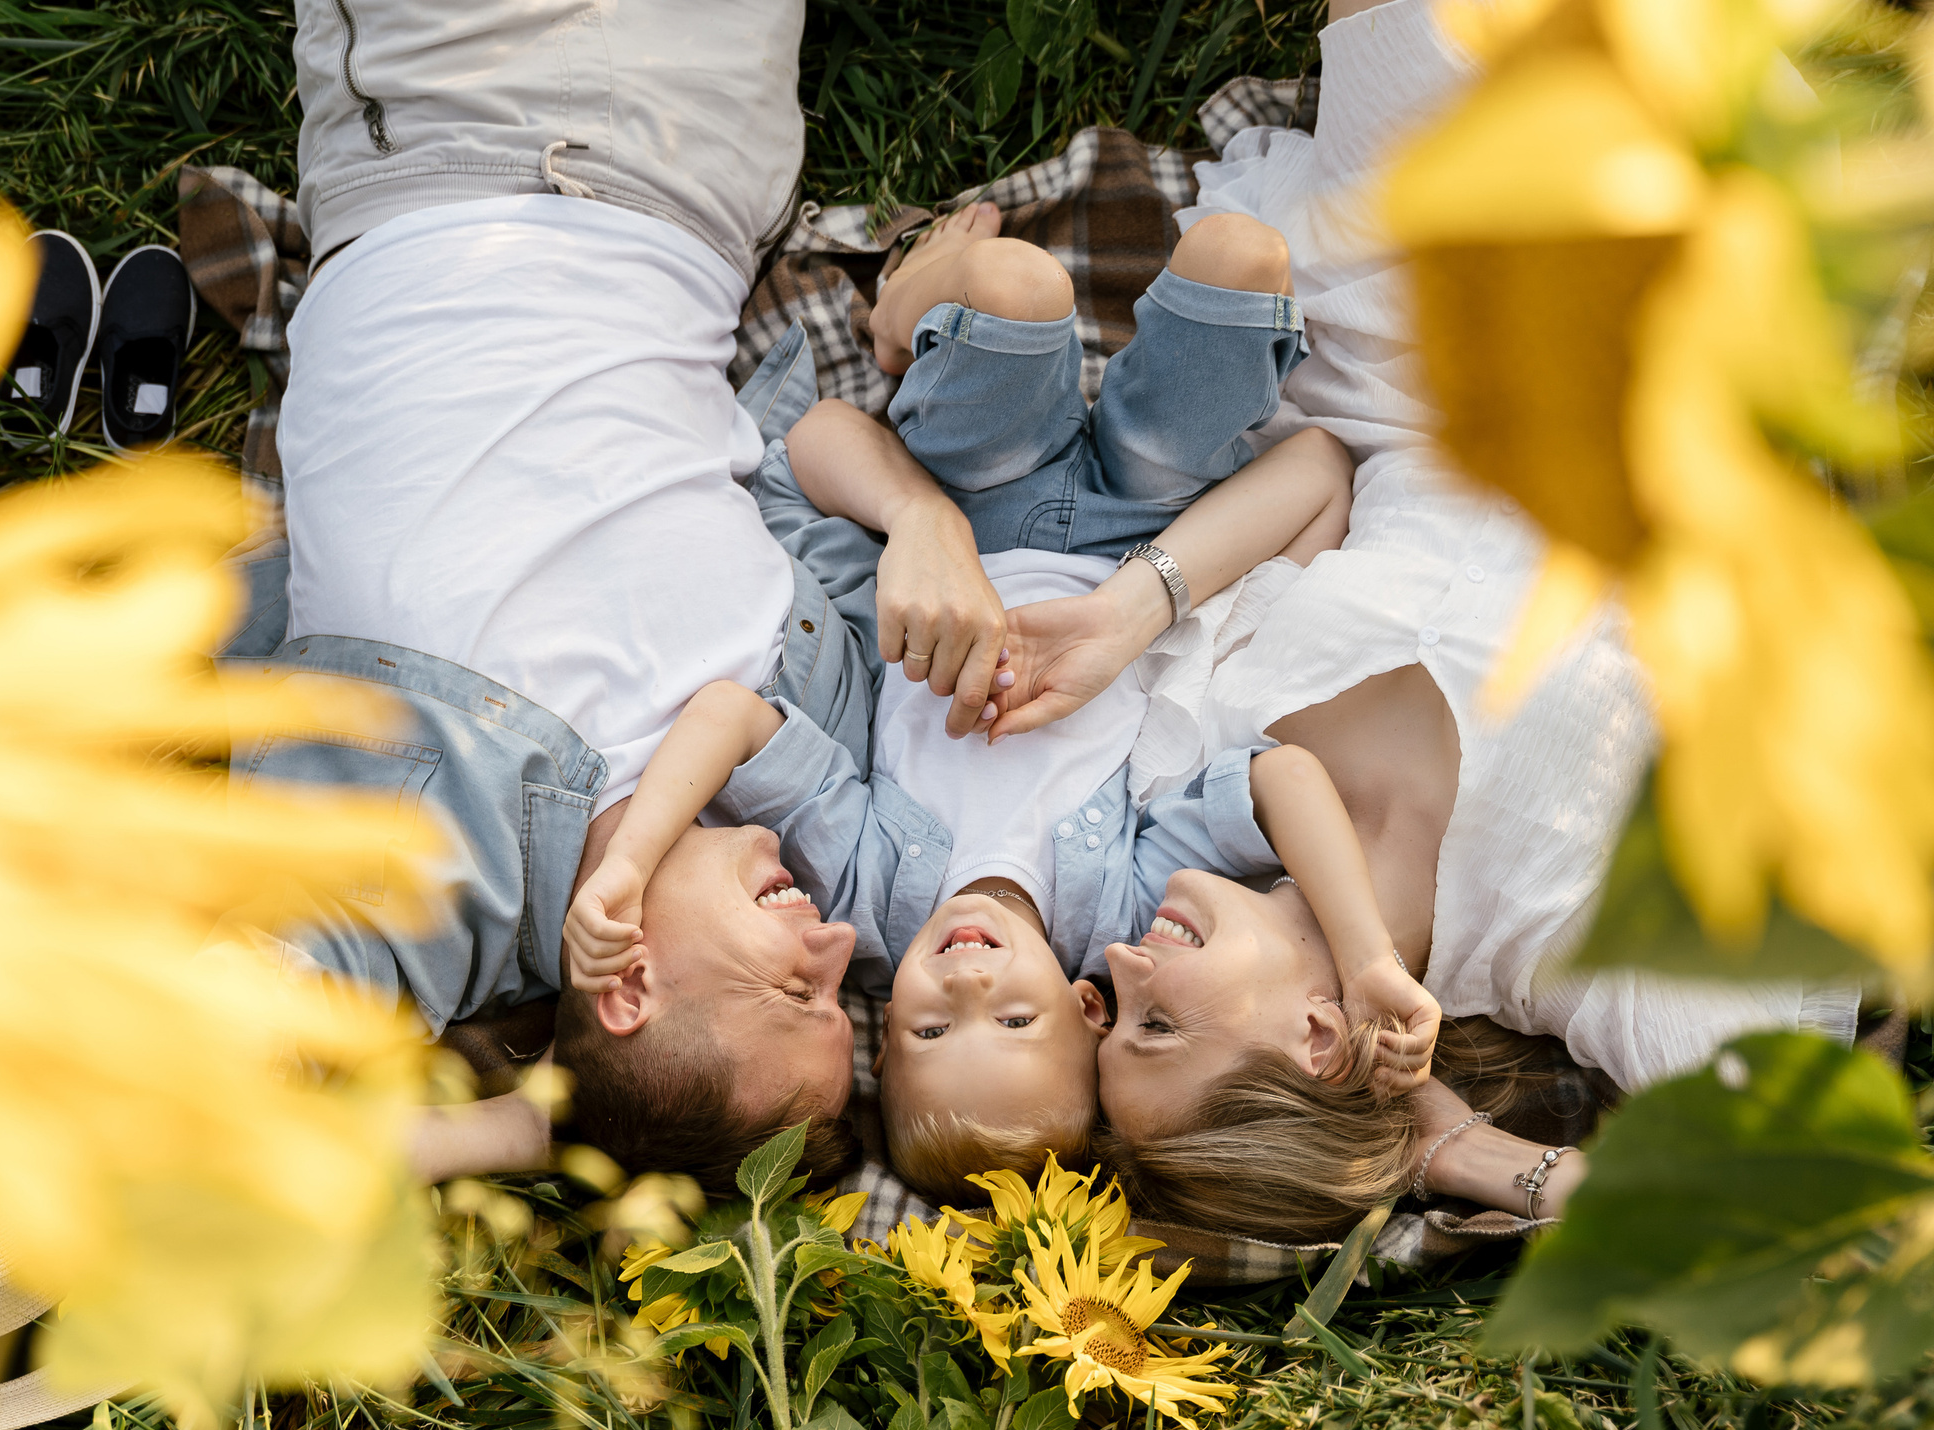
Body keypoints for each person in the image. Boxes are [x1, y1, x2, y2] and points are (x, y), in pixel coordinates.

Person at [1079, 0, 1859, 1242]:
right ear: (1320, 1039)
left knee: (1421, 29)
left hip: (1404, 375)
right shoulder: (1552, 931)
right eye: (1155, 1022)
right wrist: (1458, 1146)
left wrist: (1132, 607)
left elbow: (1321, 474)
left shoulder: (1184, 773)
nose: (1119, 970)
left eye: (1116, 1012)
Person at [243, 0, 1013, 1192]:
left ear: (634, 988)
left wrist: (553, 1129)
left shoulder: (419, 887)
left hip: (451, 109)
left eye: (793, 985)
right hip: (695, 162)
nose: (840, 941)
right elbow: (806, 454)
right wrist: (925, 517)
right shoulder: (809, 733)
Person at [561, 426, 1429, 1207]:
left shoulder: (858, 894)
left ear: (886, 1043)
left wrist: (627, 868)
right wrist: (1365, 962)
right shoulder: (1127, 919)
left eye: (933, 1029)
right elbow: (1279, 779)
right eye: (1016, 1022)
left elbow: (731, 713)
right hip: (1135, 529)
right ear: (1087, 1006)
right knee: (1231, 282)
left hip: (968, 496)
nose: (970, 988)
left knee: (1006, 297)